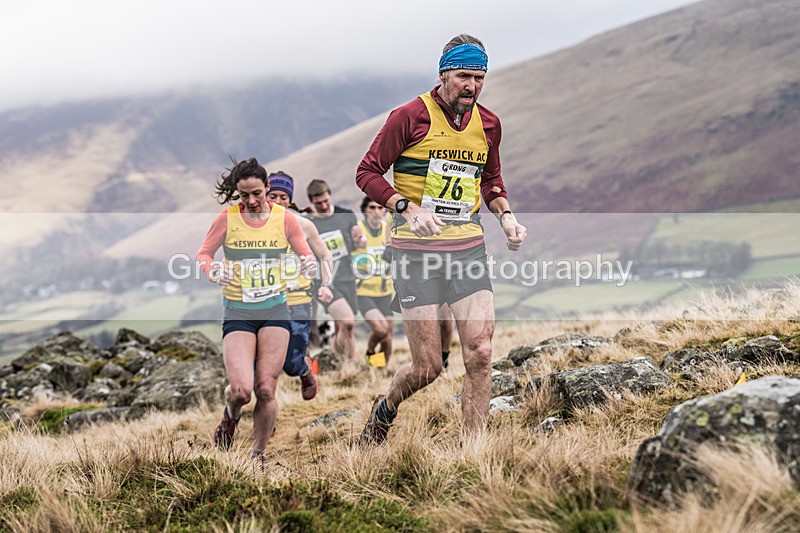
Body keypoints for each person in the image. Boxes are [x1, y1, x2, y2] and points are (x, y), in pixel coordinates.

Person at [355, 34, 528, 444]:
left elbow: (491, 180)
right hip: (416, 256)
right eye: (463, 76)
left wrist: (506, 217)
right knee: (428, 367)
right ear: (443, 74)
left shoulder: (488, 124)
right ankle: (386, 408)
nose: (471, 86)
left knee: (481, 353)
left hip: (467, 247)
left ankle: (474, 453)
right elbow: (367, 172)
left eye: (479, 78)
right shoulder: (409, 116)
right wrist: (405, 208)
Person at [196, 157, 314, 461]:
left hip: (275, 310)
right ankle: (230, 416)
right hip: (239, 313)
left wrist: (309, 263)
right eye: (243, 195)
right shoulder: (226, 219)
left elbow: (305, 252)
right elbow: (204, 255)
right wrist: (214, 271)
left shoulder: (284, 219)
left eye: (256, 194)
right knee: (240, 390)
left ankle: (257, 454)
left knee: (265, 390)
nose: (250, 201)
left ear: (267, 188)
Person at [265, 171, 334, 399]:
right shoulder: (255, 227)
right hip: (266, 303)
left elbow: (325, 256)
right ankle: (266, 414)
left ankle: (303, 370)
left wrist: (325, 284)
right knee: (265, 366)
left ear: (290, 199)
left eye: (283, 197)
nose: (277, 202)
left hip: (298, 302)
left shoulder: (304, 225)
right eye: (272, 196)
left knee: (290, 364)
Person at [306, 179, 366, 360]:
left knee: (344, 327)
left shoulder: (346, 216)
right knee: (347, 322)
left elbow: (358, 246)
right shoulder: (309, 224)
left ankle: (333, 361)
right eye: (318, 203)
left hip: (347, 278)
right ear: (311, 202)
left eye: (325, 201)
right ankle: (351, 366)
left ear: (330, 194)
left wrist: (359, 240)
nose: (323, 206)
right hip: (325, 281)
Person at [352, 196, 394, 366]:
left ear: (384, 210)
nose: (376, 212)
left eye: (379, 208)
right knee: (380, 329)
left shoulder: (388, 230)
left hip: (385, 290)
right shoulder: (358, 230)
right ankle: (370, 352)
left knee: (387, 335)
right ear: (364, 210)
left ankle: (380, 369)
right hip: (363, 291)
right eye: (372, 207)